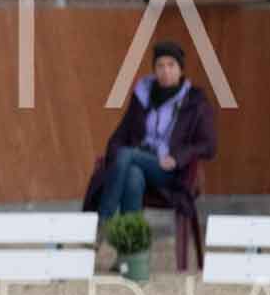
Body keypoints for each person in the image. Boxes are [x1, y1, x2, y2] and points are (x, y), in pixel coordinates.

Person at [83, 41, 218, 227]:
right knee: (133, 174)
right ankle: (132, 241)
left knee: (126, 154)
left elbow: (209, 145)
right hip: (138, 159)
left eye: (171, 65)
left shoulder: (195, 101)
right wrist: (113, 162)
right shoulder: (142, 95)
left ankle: (103, 221)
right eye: (160, 66)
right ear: (154, 70)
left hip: (168, 169)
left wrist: (177, 158)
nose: (166, 71)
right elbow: (120, 135)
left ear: (180, 70)